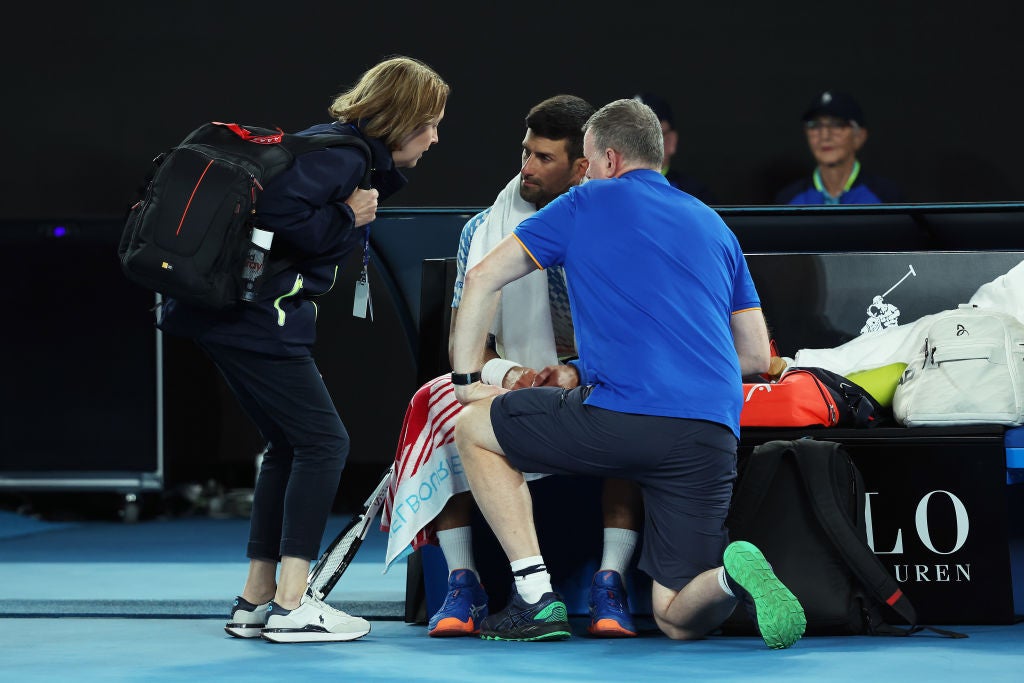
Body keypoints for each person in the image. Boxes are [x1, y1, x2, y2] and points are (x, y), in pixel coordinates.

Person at [449, 98, 807, 647]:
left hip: (621, 421)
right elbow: (757, 358)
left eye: (588, 163)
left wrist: (467, 379)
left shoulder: (584, 203)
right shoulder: (714, 225)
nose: (585, 174)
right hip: (709, 432)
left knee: (473, 426)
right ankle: (729, 580)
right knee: (674, 616)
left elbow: (481, 278)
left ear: (610, 160)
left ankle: (535, 596)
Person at [157, 56, 449, 643]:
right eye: (430, 123)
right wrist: (347, 213)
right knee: (323, 443)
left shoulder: (332, 148)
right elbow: (276, 214)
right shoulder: (344, 158)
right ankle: (294, 604)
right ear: (401, 118)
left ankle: (256, 598)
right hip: (256, 320)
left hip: (230, 318)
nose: (435, 138)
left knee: (290, 445)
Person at [380, 94, 644, 639]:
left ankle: (610, 582)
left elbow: (636, 339)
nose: (525, 168)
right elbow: (467, 343)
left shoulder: (621, 227)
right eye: (525, 152)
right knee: (440, 399)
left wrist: (574, 370)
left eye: (543, 158)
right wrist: (508, 376)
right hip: (513, 387)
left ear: (582, 166)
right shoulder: (483, 228)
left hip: (591, 384)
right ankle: (463, 582)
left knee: (631, 395)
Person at [776, 90, 904, 205]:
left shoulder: (887, 196)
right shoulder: (789, 199)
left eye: (837, 125)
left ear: (859, 136)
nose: (825, 135)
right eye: (815, 125)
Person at [632, 92, 716, 204]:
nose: (639, 144)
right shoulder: (609, 190)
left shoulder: (694, 197)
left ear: (671, 141)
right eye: (631, 136)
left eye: (652, 136)